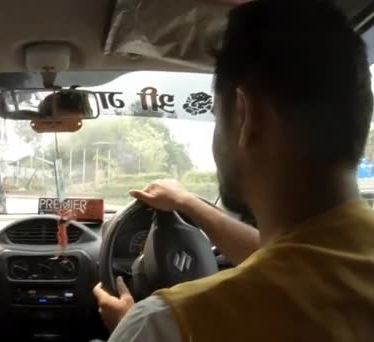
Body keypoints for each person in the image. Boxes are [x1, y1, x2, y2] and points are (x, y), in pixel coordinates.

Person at [93, 0, 374, 341]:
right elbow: (296, 259)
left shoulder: (166, 326)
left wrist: (131, 327)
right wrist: (185, 202)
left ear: (245, 115)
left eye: (216, 115)